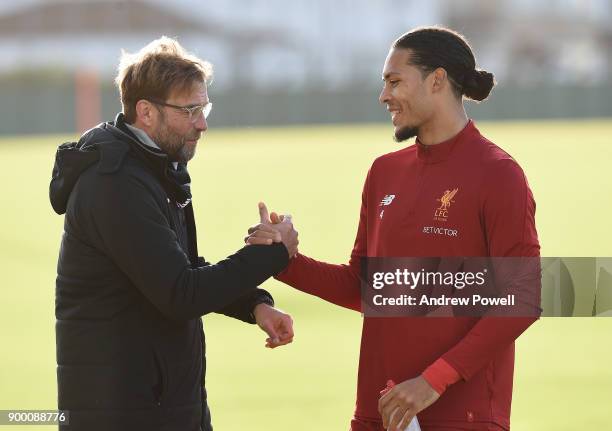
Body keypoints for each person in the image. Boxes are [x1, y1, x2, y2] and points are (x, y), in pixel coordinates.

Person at [247, 27, 540, 431]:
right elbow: (363, 287)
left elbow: (523, 296)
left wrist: (433, 381)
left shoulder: (498, 174)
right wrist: (283, 258)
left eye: (394, 81)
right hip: (378, 414)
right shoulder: (384, 173)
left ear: (437, 80)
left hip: (462, 418)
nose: (384, 95)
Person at [49, 37, 298, 431]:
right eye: (190, 110)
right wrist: (272, 253)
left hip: (163, 406)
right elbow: (180, 293)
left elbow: (180, 269)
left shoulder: (154, 169)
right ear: (145, 112)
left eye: (205, 107)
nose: (202, 123)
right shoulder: (115, 184)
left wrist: (254, 304)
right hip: (123, 414)